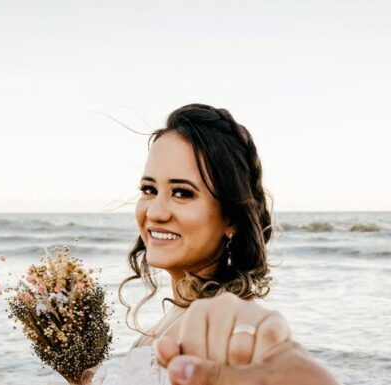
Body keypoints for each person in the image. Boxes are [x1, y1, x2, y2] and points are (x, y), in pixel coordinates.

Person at [114, 103, 338, 385]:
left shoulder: (224, 334)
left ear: (231, 217)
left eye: (182, 193)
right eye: (150, 190)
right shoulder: (175, 315)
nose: (156, 212)